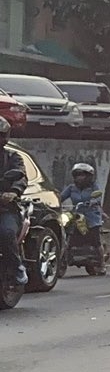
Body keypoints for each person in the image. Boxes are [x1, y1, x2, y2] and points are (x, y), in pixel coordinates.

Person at [0, 118, 27, 286]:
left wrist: (12, 192)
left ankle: (17, 267)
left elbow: (20, 176)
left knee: (6, 232)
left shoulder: (12, 157)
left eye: (0, 135)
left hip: (5, 208)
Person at [59, 161, 105, 231]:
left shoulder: (93, 187)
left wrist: (93, 201)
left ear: (88, 177)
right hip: (76, 216)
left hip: (92, 218)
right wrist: (53, 202)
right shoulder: (71, 188)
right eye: (77, 175)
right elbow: (60, 197)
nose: (79, 177)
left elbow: (98, 196)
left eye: (82, 175)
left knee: (94, 238)